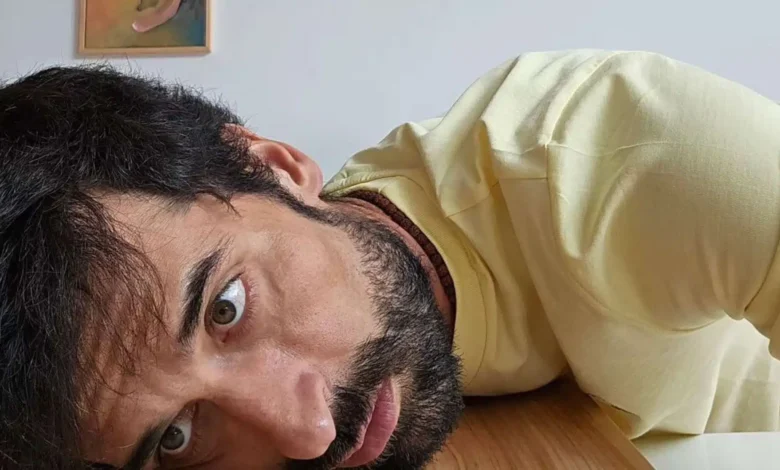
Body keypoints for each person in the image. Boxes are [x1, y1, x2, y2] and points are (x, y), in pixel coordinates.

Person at [1, 49, 779, 470]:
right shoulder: (340, 251)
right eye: (175, 438)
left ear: (273, 166)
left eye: (227, 307)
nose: (308, 433)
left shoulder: (637, 152)